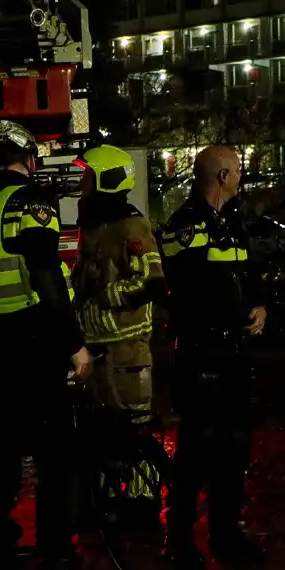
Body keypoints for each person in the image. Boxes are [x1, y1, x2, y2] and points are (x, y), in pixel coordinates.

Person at [0, 120, 96, 570]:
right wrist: (74, 346)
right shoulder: (32, 204)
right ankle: (56, 560)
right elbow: (48, 280)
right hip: (32, 347)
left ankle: (0, 556)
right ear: (29, 161)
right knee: (57, 458)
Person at [159, 146, 269, 570]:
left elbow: (248, 273)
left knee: (235, 447)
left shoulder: (235, 220)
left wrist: (260, 308)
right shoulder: (185, 227)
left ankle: (227, 533)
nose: (243, 176)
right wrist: (228, 318)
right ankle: (180, 540)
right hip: (203, 353)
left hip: (236, 353)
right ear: (222, 176)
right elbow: (190, 293)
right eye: (238, 170)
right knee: (196, 451)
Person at [71, 144, 168, 510]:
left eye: (88, 176)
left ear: (105, 181)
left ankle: (143, 502)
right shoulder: (92, 226)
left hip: (127, 347)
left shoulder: (132, 223)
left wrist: (105, 293)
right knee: (100, 428)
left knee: (135, 425)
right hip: (96, 346)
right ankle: (107, 497)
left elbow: (152, 280)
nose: (82, 184)